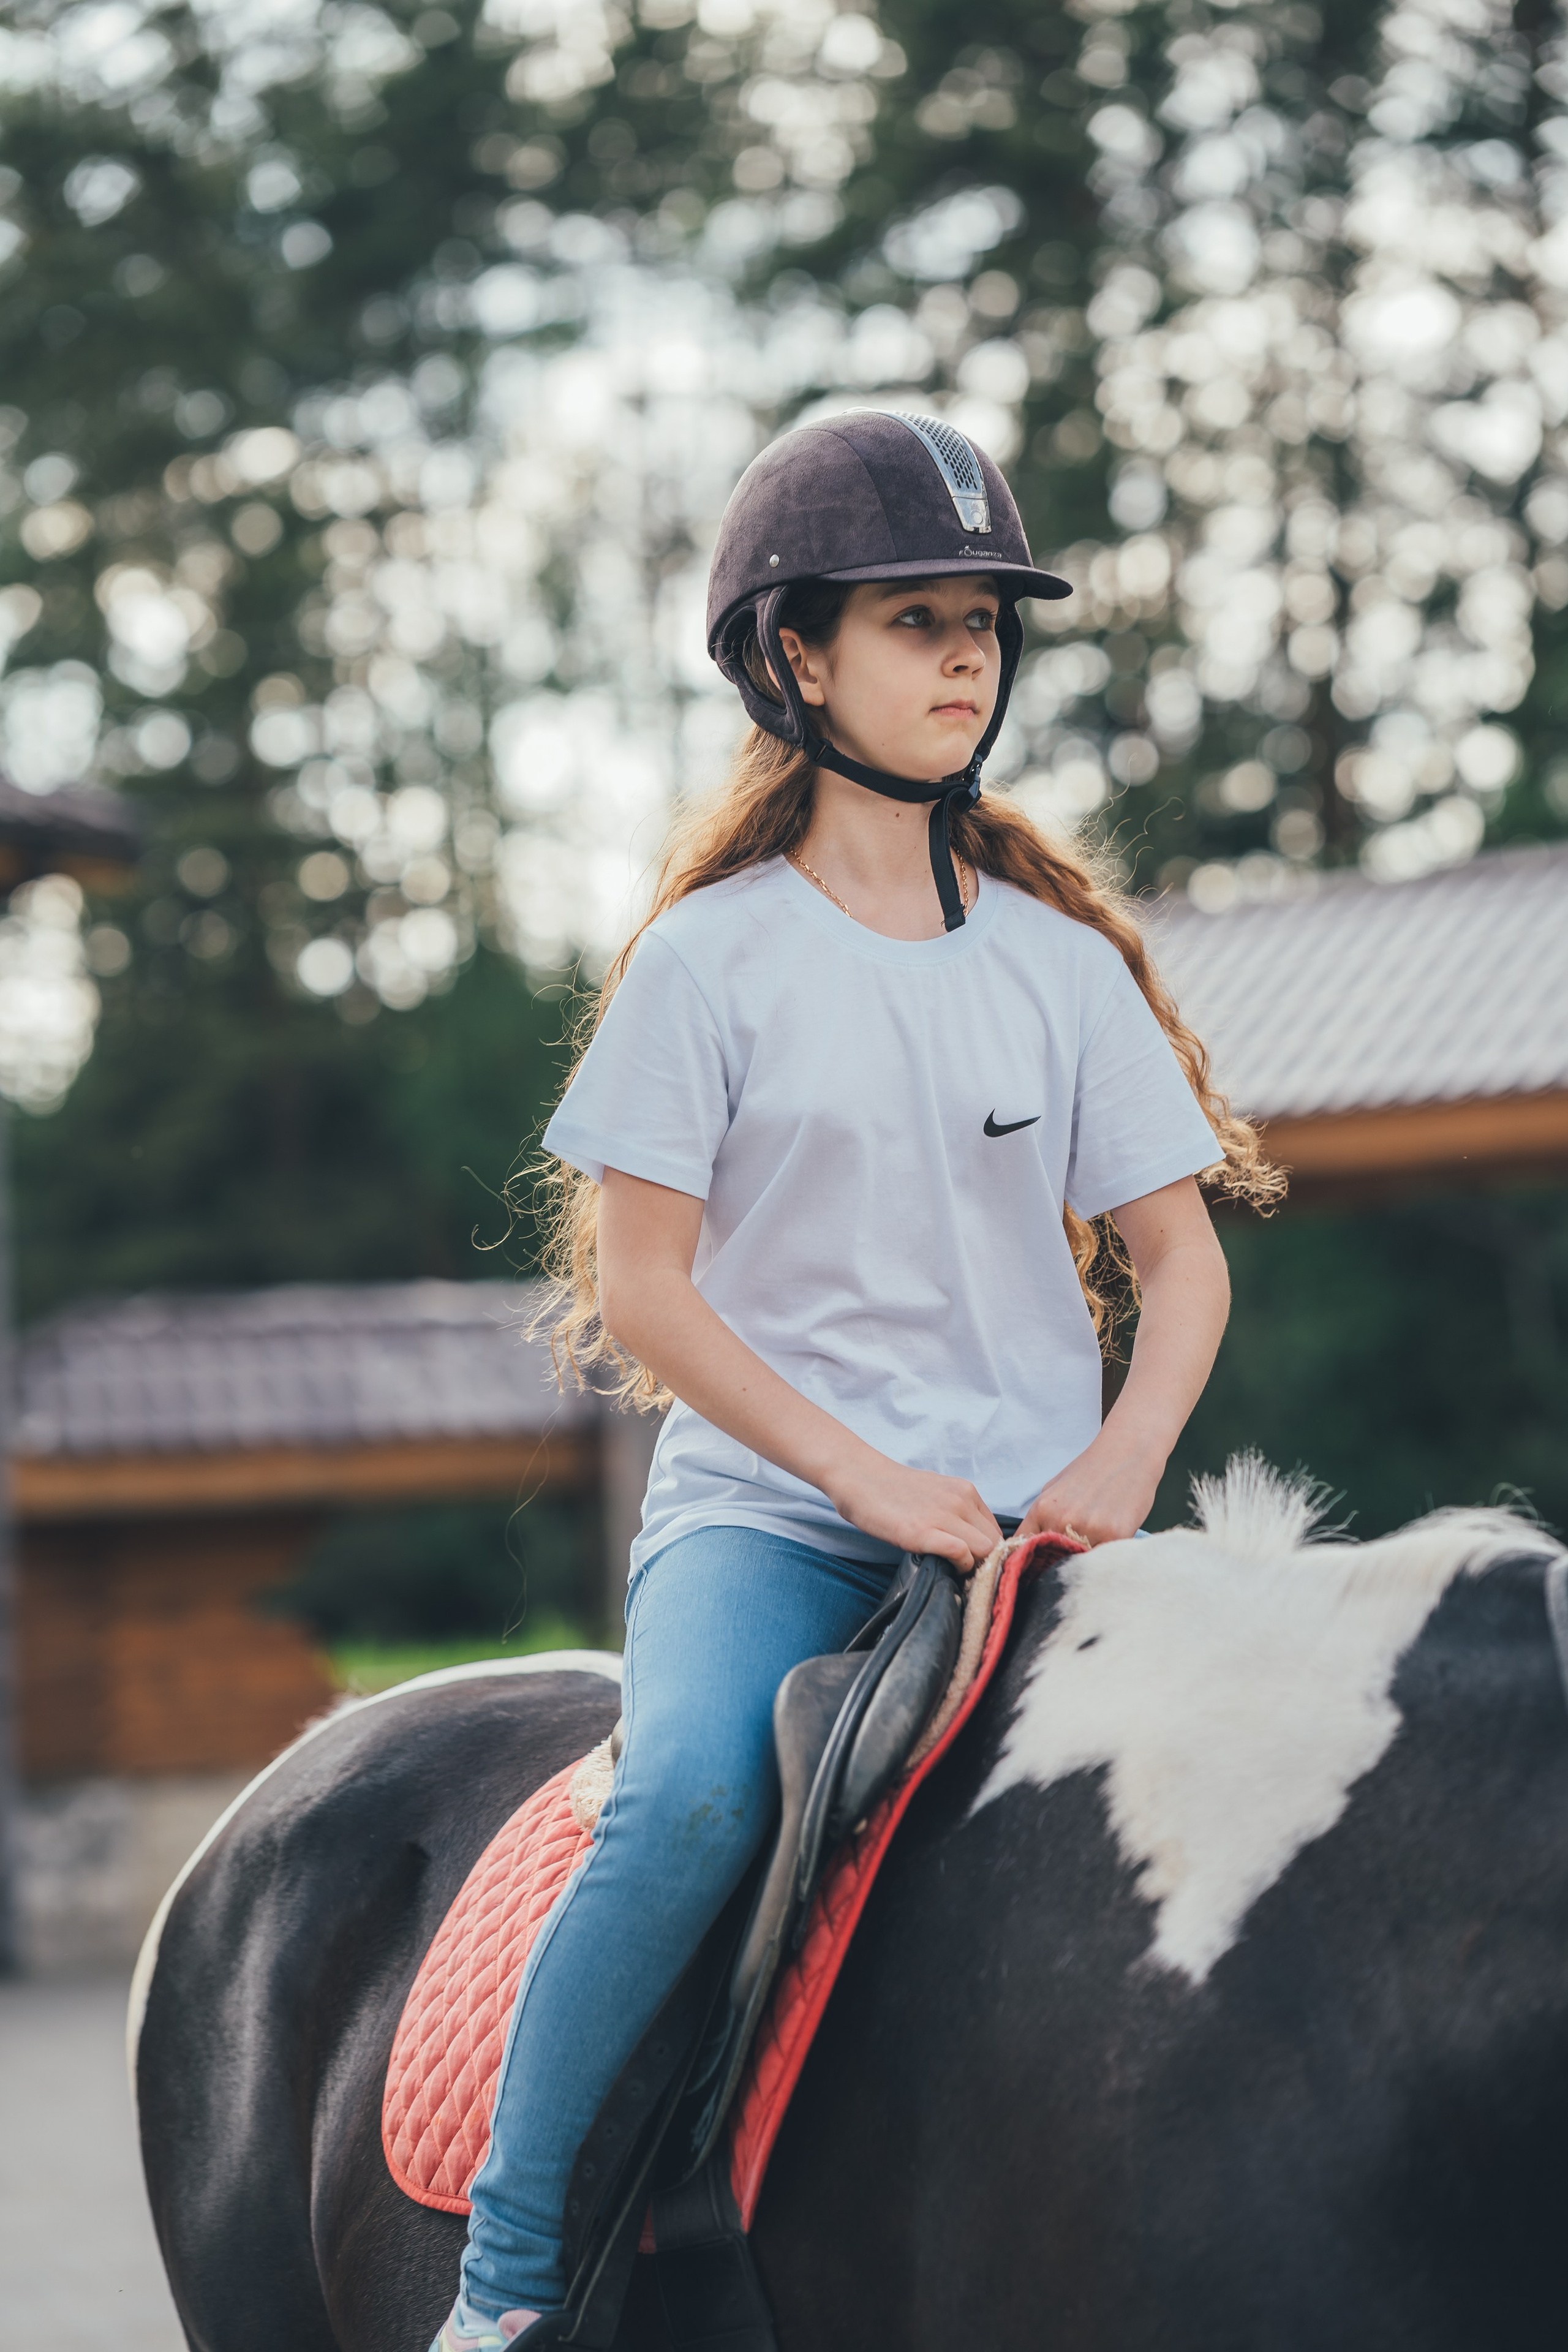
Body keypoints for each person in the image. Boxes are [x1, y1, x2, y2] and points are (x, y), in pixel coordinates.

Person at [432, 410, 1278, 2349]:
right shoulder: (706, 965)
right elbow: (644, 1292)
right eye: (918, 618)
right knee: (690, 1809)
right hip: (779, 1521)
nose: (969, 654)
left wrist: (1130, 1453)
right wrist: (870, 1480)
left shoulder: (1062, 966)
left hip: (1041, 1533)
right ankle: (497, 2296)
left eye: (987, 619)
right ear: (795, 655)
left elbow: (1181, 1257)